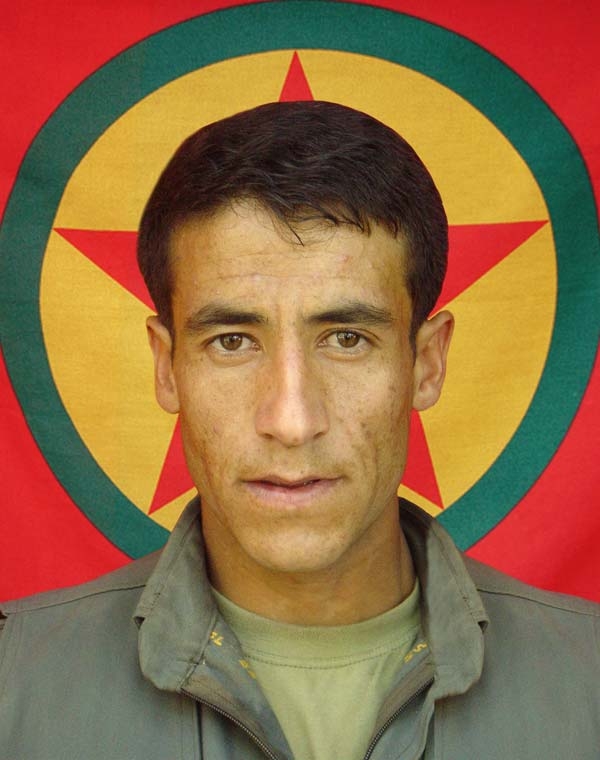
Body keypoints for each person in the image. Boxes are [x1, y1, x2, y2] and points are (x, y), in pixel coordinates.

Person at [0, 101, 598, 759]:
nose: (291, 421)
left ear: (426, 363)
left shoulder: (587, 682)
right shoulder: (14, 684)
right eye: (232, 341)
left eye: (347, 339)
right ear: (167, 368)